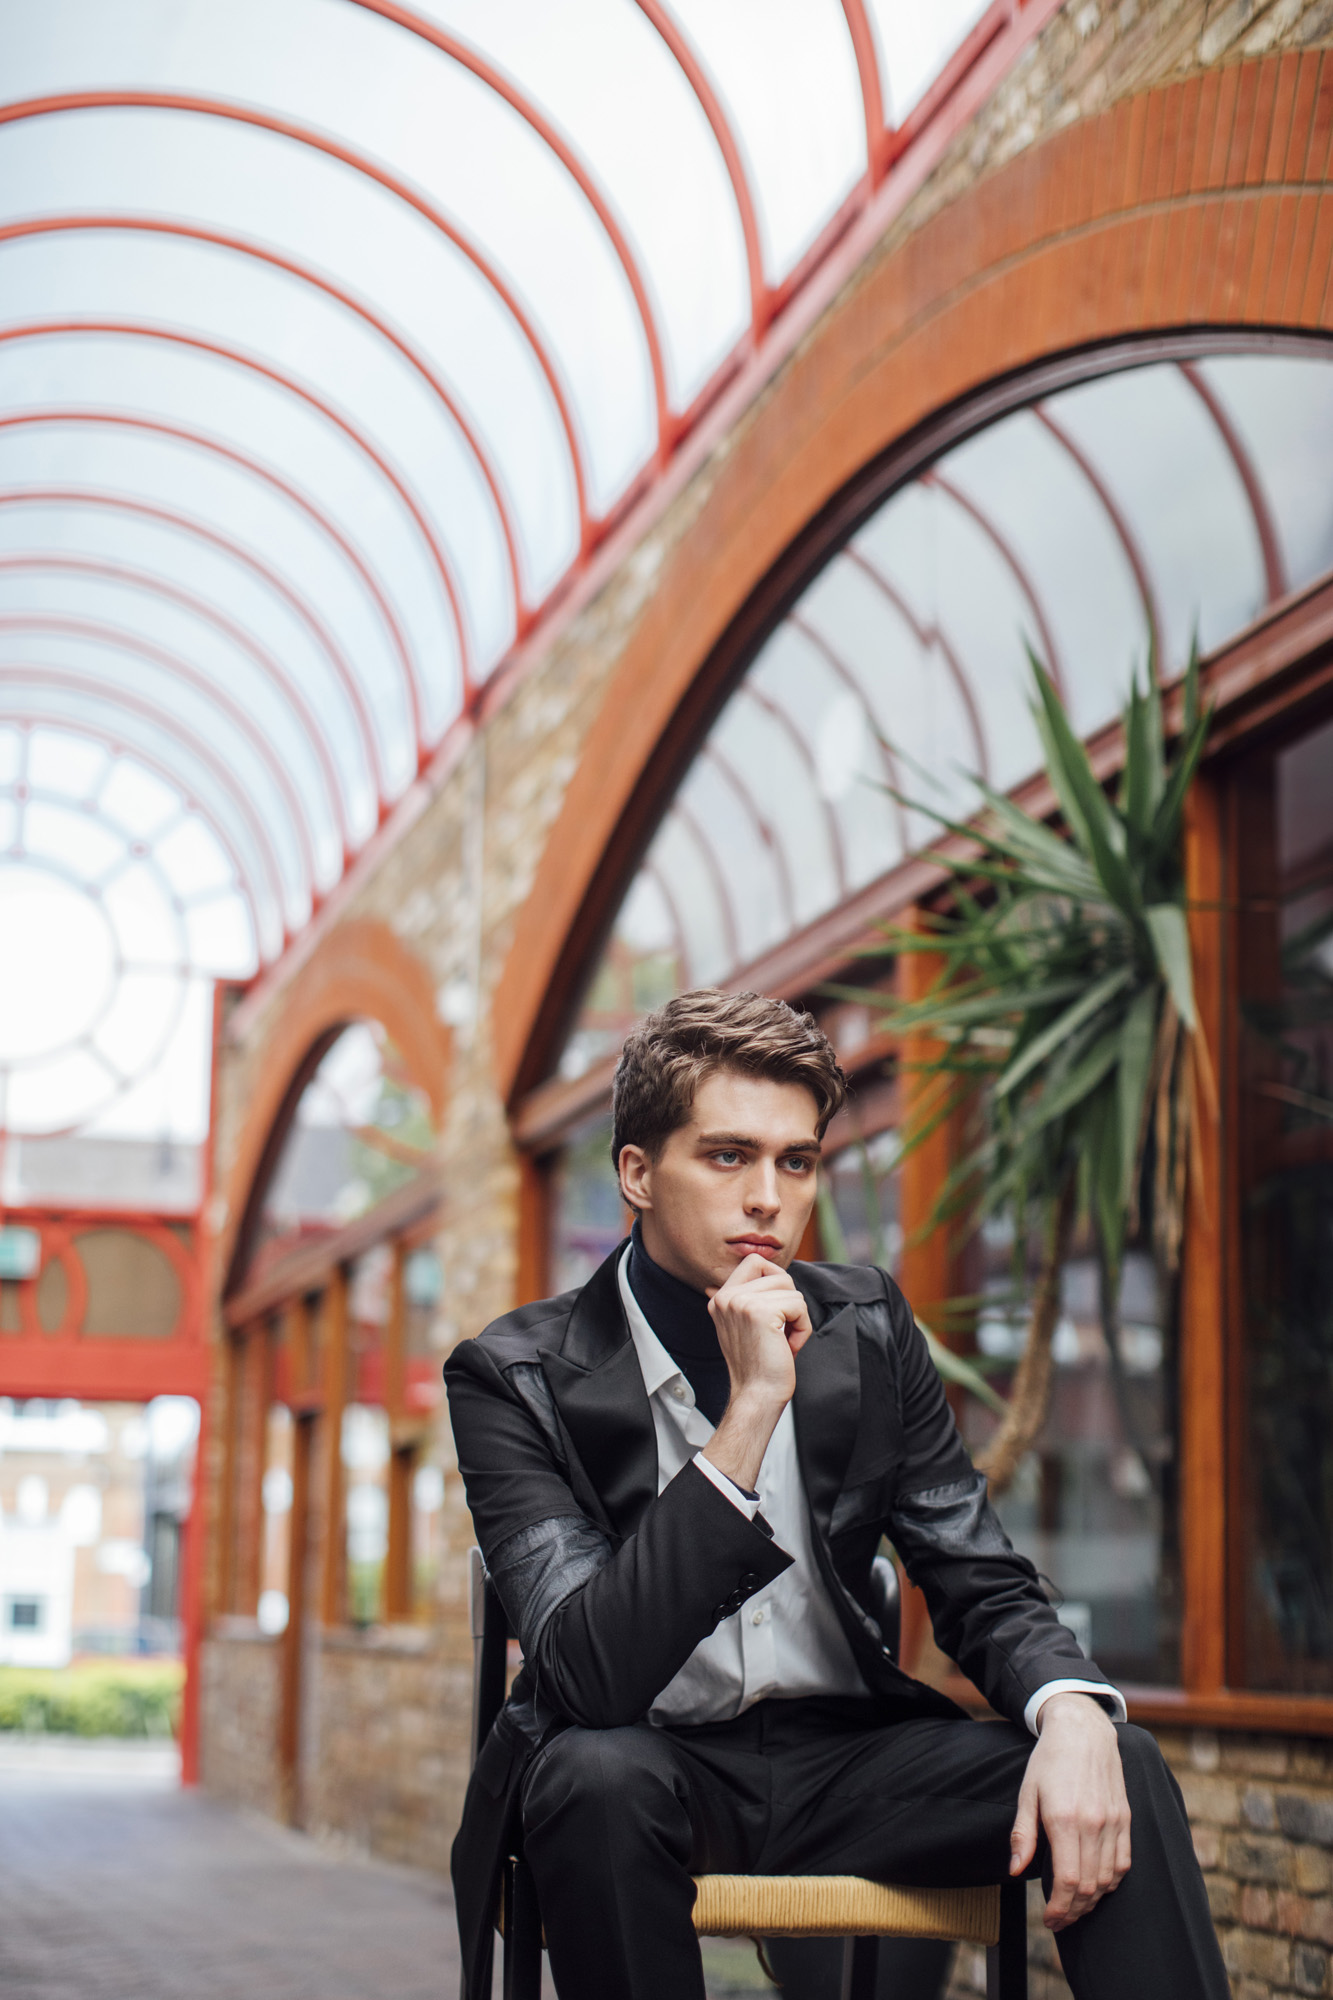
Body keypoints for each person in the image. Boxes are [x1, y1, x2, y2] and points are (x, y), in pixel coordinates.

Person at [445, 990, 1226, 2000]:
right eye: (727, 1156)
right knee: (593, 1776)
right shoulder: (513, 1375)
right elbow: (587, 1680)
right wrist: (749, 1411)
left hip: (847, 1768)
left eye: (796, 1161)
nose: (767, 1198)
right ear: (636, 1173)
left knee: (1115, 1754)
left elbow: (974, 1573)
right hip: (648, 1771)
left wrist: (1069, 1708)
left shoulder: (866, 1328)